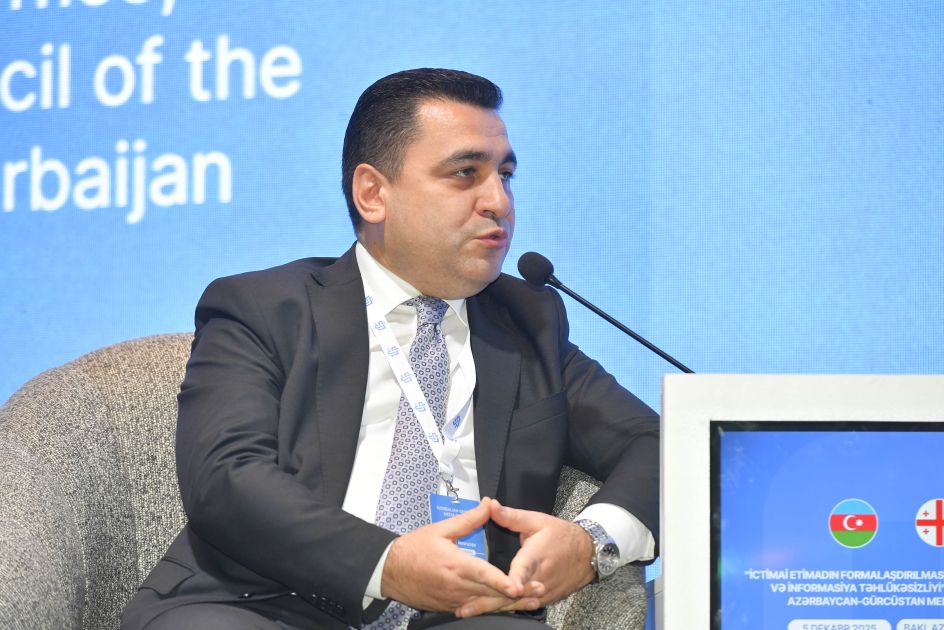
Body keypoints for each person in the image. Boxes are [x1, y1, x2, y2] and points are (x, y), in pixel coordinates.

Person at [121, 68, 658, 630]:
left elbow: (663, 444)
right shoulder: (265, 309)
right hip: (267, 604)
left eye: (505, 174)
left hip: (462, 613)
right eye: (465, 173)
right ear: (373, 194)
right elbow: (226, 478)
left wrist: (592, 541)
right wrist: (388, 565)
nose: (498, 201)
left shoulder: (527, 323)